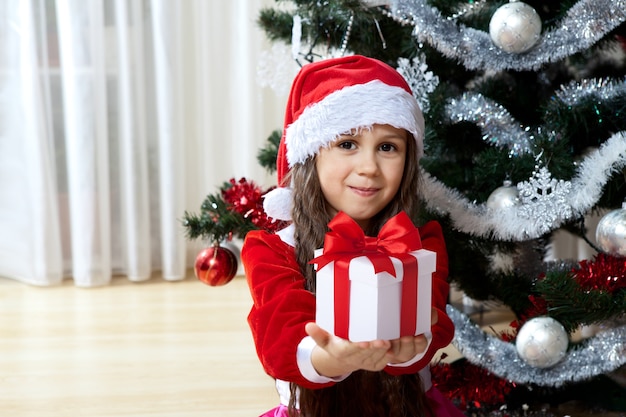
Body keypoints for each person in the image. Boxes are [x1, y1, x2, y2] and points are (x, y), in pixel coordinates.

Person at [242, 55, 463, 417]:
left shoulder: (422, 243)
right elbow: (279, 336)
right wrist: (327, 357)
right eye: (347, 143)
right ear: (311, 155)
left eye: (387, 147)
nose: (369, 168)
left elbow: (433, 320)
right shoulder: (273, 249)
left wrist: (410, 349)